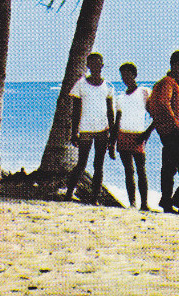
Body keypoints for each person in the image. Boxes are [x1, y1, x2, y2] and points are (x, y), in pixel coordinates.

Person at [64, 52, 116, 204]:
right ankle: (69, 193)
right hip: (85, 130)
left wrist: (112, 135)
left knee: (99, 165)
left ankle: (95, 198)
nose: (95, 67)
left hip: (102, 130)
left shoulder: (108, 86)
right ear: (88, 66)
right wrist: (74, 132)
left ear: (102, 65)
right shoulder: (80, 84)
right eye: (92, 64)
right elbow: (75, 110)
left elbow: (110, 112)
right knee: (81, 163)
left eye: (98, 63)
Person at [147, 50, 179, 215]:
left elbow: (152, 106)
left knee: (169, 168)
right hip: (173, 133)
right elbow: (162, 103)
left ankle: (169, 204)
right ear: (175, 64)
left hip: (166, 132)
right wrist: (175, 123)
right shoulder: (168, 82)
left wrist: (173, 122)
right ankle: (176, 202)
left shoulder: (167, 82)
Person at [113, 63, 156, 210]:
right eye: (122, 76)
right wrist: (112, 142)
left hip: (138, 136)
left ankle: (144, 204)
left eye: (127, 74)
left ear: (134, 74)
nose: (125, 78)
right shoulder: (120, 98)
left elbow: (155, 115)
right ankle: (132, 203)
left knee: (141, 170)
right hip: (123, 136)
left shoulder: (144, 92)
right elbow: (117, 121)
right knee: (128, 171)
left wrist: (147, 133)